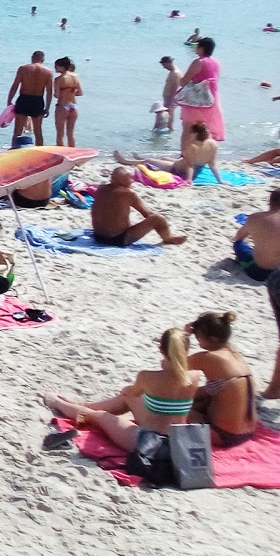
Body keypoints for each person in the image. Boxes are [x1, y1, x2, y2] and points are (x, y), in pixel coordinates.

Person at [42, 328, 204, 457]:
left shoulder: (147, 377)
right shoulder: (194, 376)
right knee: (132, 400)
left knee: (98, 416)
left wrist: (128, 391)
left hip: (148, 442)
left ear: (161, 350)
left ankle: (57, 402)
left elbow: (130, 392)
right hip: (179, 441)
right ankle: (78, 404)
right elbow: (173, 378)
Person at [232, 191, 280, 399]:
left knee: (240, 246)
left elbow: (238, 237)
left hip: (259, 271)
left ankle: (274, 389)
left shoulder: (254, 218)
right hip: (277, 269)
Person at [184, 311, 257, 447]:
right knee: (202, 396)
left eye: (198, 337)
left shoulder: (208, 358)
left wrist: (185, 335)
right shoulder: (235, 355)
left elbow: (172, 365)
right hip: (248, 430)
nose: (197, 341)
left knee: (170, 407)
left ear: (212, 339)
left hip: (223, 435)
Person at [90, 166, 185, 246]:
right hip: (117, 239)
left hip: (98, 237)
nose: (132, 181)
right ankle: (168, 238)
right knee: (158, 219)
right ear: (121, 180)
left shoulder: (100, 189)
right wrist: (161, 224)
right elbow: (146, 214)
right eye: (130, 178)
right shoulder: (128, 193)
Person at [115, 121, 221, 184]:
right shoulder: (213, 144)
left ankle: (126, 161)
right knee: (165, 158)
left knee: (150, 161)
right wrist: (220, 180)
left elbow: (190, 165)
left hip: (177, 168)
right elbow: (212, 164)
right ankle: (139, 158)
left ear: (195, 133)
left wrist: (189, 180)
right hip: (189, 164)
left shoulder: (193, 145)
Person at [175, 37, 224, 150]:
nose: (195, 48)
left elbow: (184, 81)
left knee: (187, 128)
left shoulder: (198, 62)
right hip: (211, 99)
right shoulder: (216, 62)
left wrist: (178, 80)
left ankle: (184, 155)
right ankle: (204, 154)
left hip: (195, 100)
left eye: (197, 46)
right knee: (204, 130)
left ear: (202, 48)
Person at [6, 50, 54, 144]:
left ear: (32, 57)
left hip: (24, 99)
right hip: (38, 101)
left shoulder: (23, 69)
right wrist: (47, 108)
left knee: (17, 131)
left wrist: (9, 100)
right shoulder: (48, 72)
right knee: (38, 132)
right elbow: (49, 92)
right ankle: (40, 154)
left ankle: (13, 152)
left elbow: (15, 85)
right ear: (43, 59)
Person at [53, 56, 81, 147]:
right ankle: (73, 154)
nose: (55, 68)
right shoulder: (75, 76)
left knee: (60, 134)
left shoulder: (58, 79)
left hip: (62, 106)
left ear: (62, 67)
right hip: (73, 106)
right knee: (70, 133)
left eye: (56, 66)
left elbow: (57, 95)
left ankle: (60, 156)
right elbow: (79, 92)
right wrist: (70, 92)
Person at [159, 56, 182, 132]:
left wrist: (170, 102)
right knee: (167, 115)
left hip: (171, 98)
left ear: (169, 63)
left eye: (164, 65)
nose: (164, 67)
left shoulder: (175, 73)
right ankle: (168, 130)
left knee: (169, 115)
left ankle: (169, 129)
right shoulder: (172, 72)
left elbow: (175, 89)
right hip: (168, 97)